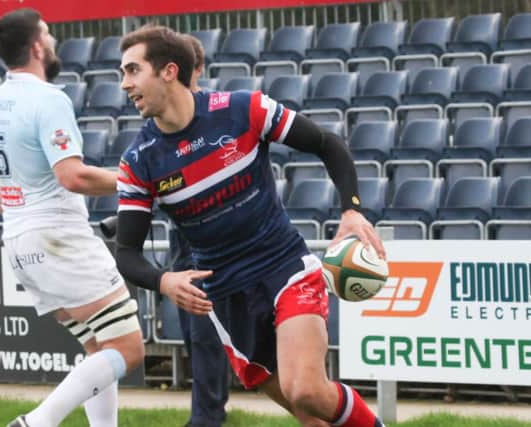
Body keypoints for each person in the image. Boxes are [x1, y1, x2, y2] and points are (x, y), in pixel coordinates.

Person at [113, 24, 387, 427]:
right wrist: (164, 281)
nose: (124, 84)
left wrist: (351, 210)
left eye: (133, 70)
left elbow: (328, 144)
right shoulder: (139, 161)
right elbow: (127, 253)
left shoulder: (244, 109)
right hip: (224, 298)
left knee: (307, 390)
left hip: (285, 267)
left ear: (168, 71)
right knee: (311, 415)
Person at [0, 9, 150, 427]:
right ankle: (36, 423)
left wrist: (22, 211)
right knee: (129, 348)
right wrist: (136, 181)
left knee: (99, 347)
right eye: (48, 33)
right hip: (58, 238)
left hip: (22, 243)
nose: (54, 40)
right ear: (38, 47)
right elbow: (73, 175)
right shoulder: (48, 99)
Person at [172, 34, 230, 427]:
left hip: (215, 241)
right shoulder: (165, 121)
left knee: (208, 332)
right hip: (181, 239)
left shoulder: (216, 115)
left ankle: (206, 417)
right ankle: (208, 411)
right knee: (196, 334)